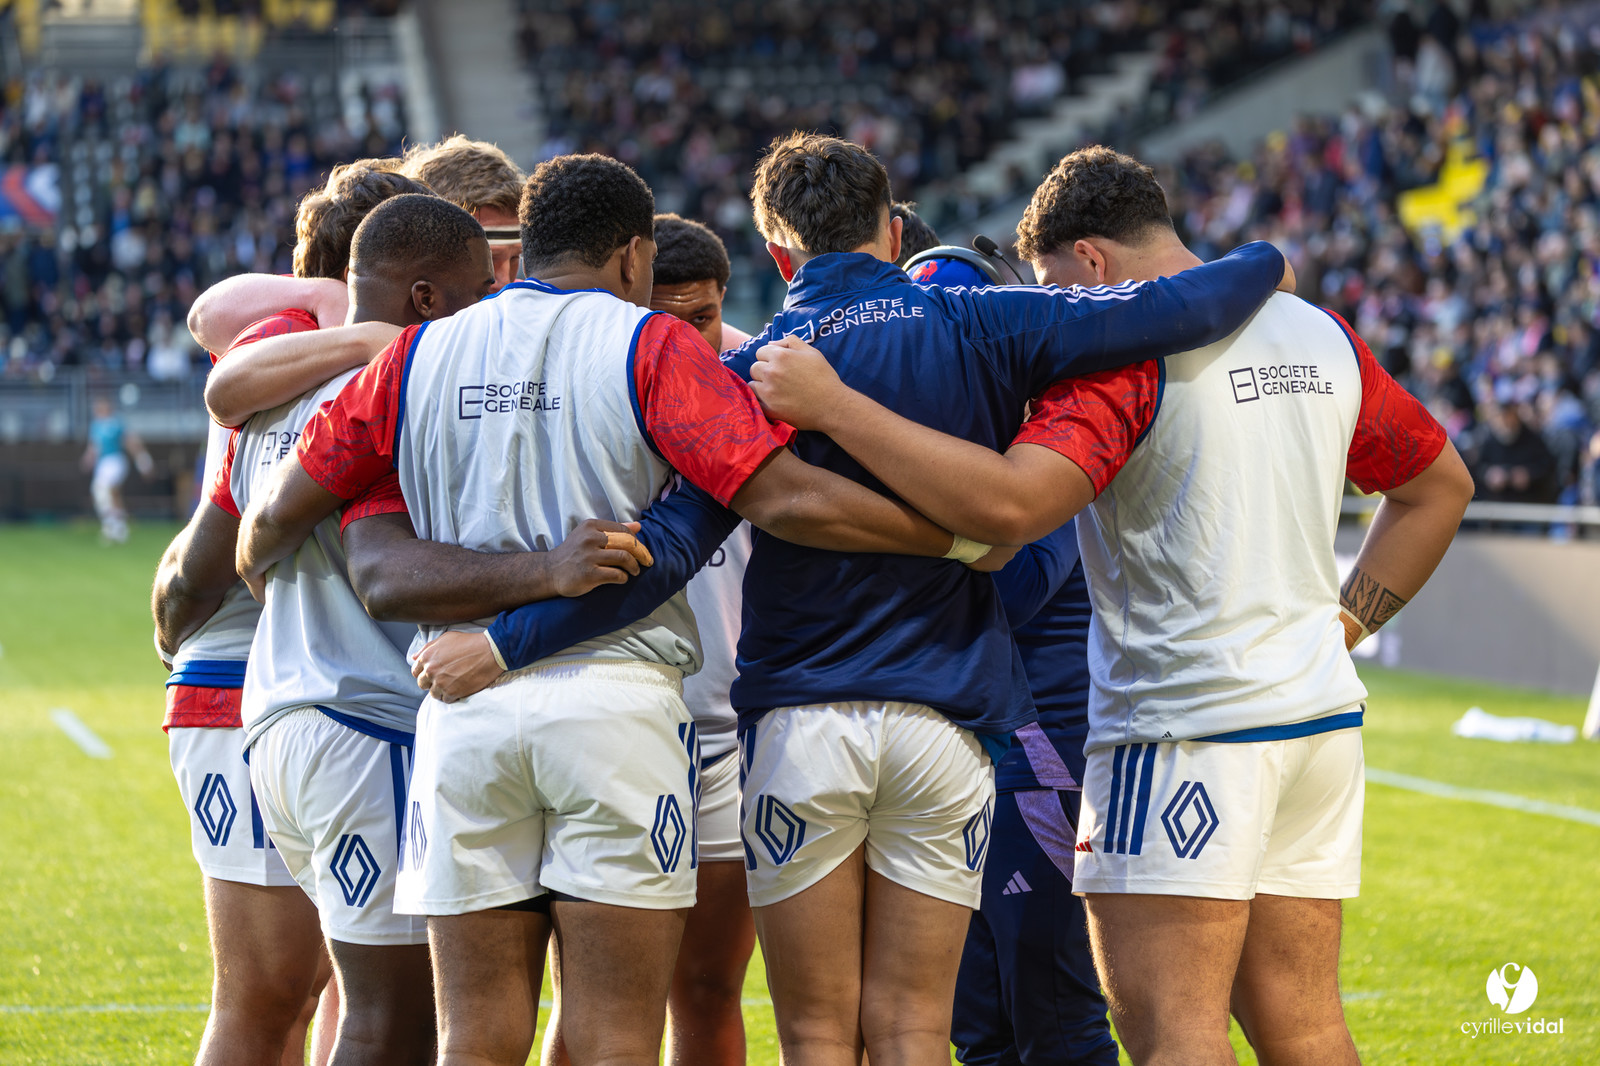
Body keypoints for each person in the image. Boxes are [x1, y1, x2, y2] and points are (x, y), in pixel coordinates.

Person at [419, 132, 1293, 1066]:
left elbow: (668, 551)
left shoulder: (753, 372)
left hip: (801, 724)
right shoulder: (986, 323)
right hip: (944, 723)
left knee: (817, 1035)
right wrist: (1268, 255)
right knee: (916, 1029)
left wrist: (509, 643)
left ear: (777, 253)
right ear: (892, 229)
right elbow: (1187, 302)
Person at [232, 153, 983, 1066]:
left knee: (473, 1034)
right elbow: (783, 499)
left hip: (460, 708)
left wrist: (259, 564)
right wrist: (946, 536)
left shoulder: (412, 357)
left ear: (525, 249)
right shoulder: (654, 344)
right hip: (615, 710)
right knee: (617, 1035)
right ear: (634, 256)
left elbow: (278, 514)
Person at [747, 144, 1475, 1066]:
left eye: (1056, 284)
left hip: (1183, 729)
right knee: (1306, 1025)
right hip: (1317, 720)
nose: (1064, 306)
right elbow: (1439, 487)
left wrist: (839, 408)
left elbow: (1012, 508)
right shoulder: (1318, 334)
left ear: (1089, 264)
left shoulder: (1129, 357)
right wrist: (1347, 623)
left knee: (1173, 1034)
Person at [152, 161, 433, 1066]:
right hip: (252, 670)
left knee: (320, 987)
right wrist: (180, 606)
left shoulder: (325, 340)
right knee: (275, 992)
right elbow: (216, 538)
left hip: (283, 673)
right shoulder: (295, 336)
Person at [541, 212, 758, 1066]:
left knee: (708, 990)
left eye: (701, 316)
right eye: (666, 315)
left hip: (726, 727)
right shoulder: (597, 377)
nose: (683, 336)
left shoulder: (756, 376)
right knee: (591, 999)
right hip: (608, 715)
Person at [82, 396, 153, 543]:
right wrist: (88, 459)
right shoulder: (96, 426)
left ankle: (112, 526)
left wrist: (143, 461)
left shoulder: (116, 423)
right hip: (102, 464)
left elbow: (131, 442)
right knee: (112, 494)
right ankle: (117, 527)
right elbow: (94, 447)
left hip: (115, 461)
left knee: (102, 489)